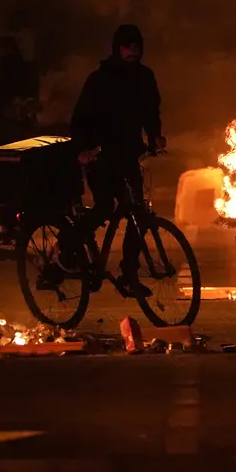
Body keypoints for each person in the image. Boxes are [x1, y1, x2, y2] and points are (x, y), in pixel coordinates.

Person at [70, 24, 165, 297]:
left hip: (128, 155)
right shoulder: (100, 80)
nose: (132, 52)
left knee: (139, 214)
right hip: (102, 155)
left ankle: (129, 274)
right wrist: (83, 149)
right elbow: (80, 119)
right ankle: (69, 245)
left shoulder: (145, 78)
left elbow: (151, 111)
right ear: (117, 49)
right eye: (127, 46)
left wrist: (155, 136)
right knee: (104, 208)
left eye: (136, 47)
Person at [0, 35, 40, 238]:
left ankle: (7, 224)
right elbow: (34, 97)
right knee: (22, 174)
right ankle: (24, 218)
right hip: (23, 133)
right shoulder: (27, 69)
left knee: (3, 177)